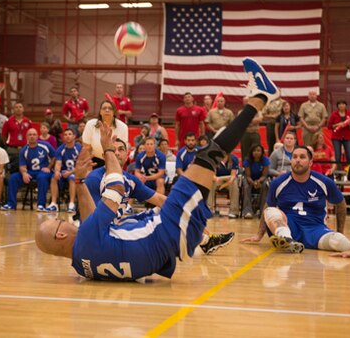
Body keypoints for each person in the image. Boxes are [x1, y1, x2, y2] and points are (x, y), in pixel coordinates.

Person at [34, 57, 277, 280]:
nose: (61, 220)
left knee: (208, 156)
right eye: (57, 221)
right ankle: (260, 98)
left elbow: (90, 222)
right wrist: (107, 148)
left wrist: (78, 182)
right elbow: (116, 185)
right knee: (208, 156)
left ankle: (258, 100)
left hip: (165, 246)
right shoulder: (88, 232)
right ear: (61, 235)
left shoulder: (81, 264)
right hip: (168, 229)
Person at [84, 137, 235, 252]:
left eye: (121, 149)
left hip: (121, 226)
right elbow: (94, 217)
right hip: (102, 233)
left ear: (126, 154)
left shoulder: (130, 179)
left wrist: (188, 213)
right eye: (113, 149)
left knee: (164, 211)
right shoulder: (94, 178)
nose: (117, 153)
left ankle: (204, 240)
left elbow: (159, 199)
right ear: (105, 155)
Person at [242, 145, 350, 253]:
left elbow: (341, 203)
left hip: (315, 230)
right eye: (294, 157)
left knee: (343, 243)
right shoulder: (278, 182)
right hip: (287, 227)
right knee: (270, 210)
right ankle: (287, 240)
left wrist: (340, 232)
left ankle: (290, 242)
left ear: (310, 162)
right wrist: (259, 235)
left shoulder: (324, 182)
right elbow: (267, 207)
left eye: (302, 157)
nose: (297, 160)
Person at [2, 128, 55, 211]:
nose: (32, 136)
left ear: (37, 136)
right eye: (30, 135)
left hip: (43, 172)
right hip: (30, 172)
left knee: (42, 177)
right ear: (26, 137)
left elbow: (55, 156)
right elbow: (22, 166)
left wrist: (49, 167)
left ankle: (41, 205)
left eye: (34, 134)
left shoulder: (45, 145)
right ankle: (11, 204)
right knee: (13, 178)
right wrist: (24, 174)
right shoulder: (23, 150)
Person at [82, 100, 129, 165]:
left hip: (115, 160)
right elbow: (86, 147)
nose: (107, 110)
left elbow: (123, 150)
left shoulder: (123, 127)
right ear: (100, 112)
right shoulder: (90, 124)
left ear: (114, 112)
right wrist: (88, 162)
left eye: (110, 108)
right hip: (95, 161)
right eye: (104, 108)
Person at [51, 128, 81, 213]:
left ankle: (71, 204)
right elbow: (58, 163)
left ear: (74, 136)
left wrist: (70, 172)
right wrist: (57, 172)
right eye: (65, 134)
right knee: (54, 177)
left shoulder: (79, 148)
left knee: (72, 178)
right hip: (64, 173)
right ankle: (54, 204)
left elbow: (80, 165)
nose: (67, 136)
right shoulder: (61, 149)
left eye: (69, 134)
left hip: (75, 172)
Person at [241, 144, 269, 219]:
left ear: (262, 152)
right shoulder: (247, 161)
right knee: (246, 186)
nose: (256, 152)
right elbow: (248, 176)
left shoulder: (265, 160)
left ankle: (262, 210)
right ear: (251, 152)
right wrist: (254, 183)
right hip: (249, 179)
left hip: (261, 179)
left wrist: (259, 181)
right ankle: (247, 211)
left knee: (265, 185)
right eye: (254, 151)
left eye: (258, 150)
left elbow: (264, 175)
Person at [2, 102, 33, 169]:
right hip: (12, 149)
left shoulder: (28, 121)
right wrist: (8, 145)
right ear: (13, 109)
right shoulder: (8, 121)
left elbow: (32, 135)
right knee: (11, 168)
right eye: (16, 107)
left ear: (23, 109)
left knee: (26, 167)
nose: (18, 109)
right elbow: (3, 135)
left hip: (25, 148)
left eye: (20, 107)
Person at [328, 100, 350, 170]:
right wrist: (337, 125)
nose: (341, 105)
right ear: (337, 106)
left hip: (347, 137)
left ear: (346, 105)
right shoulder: (334, 114)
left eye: (343, 104)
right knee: (337, 156)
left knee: (349, 155)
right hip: (336, 137)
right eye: (339, 104)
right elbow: (329, 126)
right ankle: (338, 173)